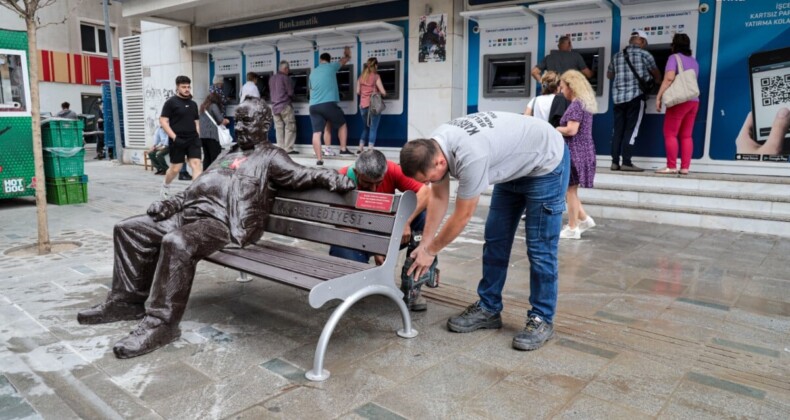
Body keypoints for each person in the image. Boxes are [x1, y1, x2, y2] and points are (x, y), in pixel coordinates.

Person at [76, 98, 356, 359]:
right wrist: (172, 203)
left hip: (222, 225)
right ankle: (125, 302)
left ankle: (161, 323)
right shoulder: (228, 152)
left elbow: (302, 174)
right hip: (189, 215)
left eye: (247, 121)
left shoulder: (271, 156)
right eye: (239, 120)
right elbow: (197, 187)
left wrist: (332, 175)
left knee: (178, 243)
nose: (240, 126)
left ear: (265, 126)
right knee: (129, 229)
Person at [400, 111, 570, 351]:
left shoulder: (470, 156)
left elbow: (462, 216)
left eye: (428, 178)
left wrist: (433, 250)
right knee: (495, 240)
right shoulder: (433, 146)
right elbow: (438, 196)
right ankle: (489, 308)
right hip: (512, 166)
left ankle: (542, 318)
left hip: (546, 164)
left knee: (540, 248)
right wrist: (425, 245)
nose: (427, 184)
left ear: (439, 162)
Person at [329, 150, 432, 311]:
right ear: (357, 172)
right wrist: (376, 247)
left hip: (387, 228)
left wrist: (405, 220)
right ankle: (361, 276)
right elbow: (345, 226)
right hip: (356, 235)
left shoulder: (392, 169)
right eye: (367, 183)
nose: (374, 188)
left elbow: (426, 193)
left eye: (378, 182)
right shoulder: (342, 178)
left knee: (424, 217)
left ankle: (413, 286)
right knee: (353, 288)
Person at [607, 30, 661, 172]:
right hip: (635, 96)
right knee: (631, 130)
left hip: (618, 98)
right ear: (642, 41)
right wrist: (656, 86)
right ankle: (626, 162)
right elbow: (657, 75)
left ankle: (614, 162)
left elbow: (609, 74)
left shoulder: (617, 56)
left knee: (618, 130)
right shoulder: (645, 54)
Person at [556, 70, 598, 239]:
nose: (561, 91)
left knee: (569, 191)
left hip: (575, 152)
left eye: (563, 87)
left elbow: (571, 130)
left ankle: (573, 228)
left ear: (571, 87)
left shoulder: (575, 105)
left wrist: (554, 129)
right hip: (584, 151)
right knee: (571, 189)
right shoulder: (584, 103)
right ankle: (585, 219)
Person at [655, 33, 700, 175]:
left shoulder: (673, 58)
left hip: (679, 101)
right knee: (686, 135)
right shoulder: (694, 61)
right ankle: (685, 168)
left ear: (674, 45)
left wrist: (659, 96)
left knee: (670, 133)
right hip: (693, 101)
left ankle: (671, 166)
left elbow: (669, 78)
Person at [309, 48, 354, 165]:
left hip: (313, 106)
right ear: (328, 61)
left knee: (317, 133)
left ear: (320, 60)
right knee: (342, 124)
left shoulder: (313, 72)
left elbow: (311, 89)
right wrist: (347, 56)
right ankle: (343, 149)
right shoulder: (331, 66)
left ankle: (319, 159)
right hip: (327, 104)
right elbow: (343, 61)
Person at [159, 75, 202, 198]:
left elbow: (196, 122)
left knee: (196, 164)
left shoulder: (193, 104)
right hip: (178, 139)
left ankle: (196, 194)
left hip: (193, 138)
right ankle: (166, 185)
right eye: (184, 87)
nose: (187, 89)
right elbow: (163, 121)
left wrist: (198, 135)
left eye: (188, 87)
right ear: (177, 87)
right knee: (175, 169)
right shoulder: (171, 103)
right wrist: (174, 137)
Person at [356, 57, 387, 153]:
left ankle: (360, 148)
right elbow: (383, 92)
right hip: (373, 106)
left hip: (363, 106)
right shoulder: (376, 76)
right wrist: (383, 94)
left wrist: (365, 94)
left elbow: (357, 92)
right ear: (376, 65)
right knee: (373, 128)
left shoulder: (361, 77)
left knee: (366, 127)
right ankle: (370, 149)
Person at [269, 60, 298, 154]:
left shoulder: (272, 78)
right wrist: (295, 97)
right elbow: (290, 93)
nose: (289, 71)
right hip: (285, 105)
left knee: (279, 128)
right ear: (285, 69)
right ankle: (288, 149)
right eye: (288, 69)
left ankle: (280, 149)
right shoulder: (286, 78)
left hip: (274, 107)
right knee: (290, 126)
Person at [199, 92, 229, 170]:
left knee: (207, 157)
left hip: (203, 136)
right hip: (212, 135)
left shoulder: (203, 107)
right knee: (215, 157)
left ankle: (205, 175)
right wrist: (226, 121)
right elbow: (220, 120)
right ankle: (214, 174)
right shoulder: (213, 106)